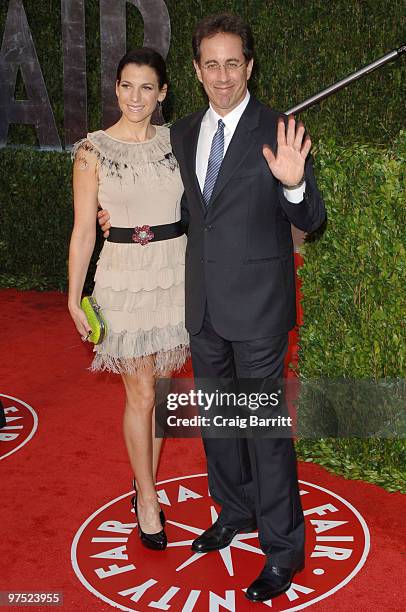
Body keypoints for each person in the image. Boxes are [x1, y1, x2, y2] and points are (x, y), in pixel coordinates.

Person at [99, 13, 326, 601]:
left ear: (249, 66)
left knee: (264, 432)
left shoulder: (278, 129)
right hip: (198, 306)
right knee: (219, 426)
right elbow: (161, 199)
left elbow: (312, 220)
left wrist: (296, 186)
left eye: (234, 63)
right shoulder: (181, 133)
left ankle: (283, 548)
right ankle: (232, 512)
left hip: (257, 311)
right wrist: (114, 219)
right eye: (211, 65)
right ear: (197, 72)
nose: (223, 75)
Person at [68, 48, 188, 551]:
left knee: (160, 398)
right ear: (116, 88)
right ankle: (146, 498)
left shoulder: (176, 141)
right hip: (124, 279)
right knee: (139, 395)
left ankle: (146, 482)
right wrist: (74, 298)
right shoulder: (92, 151)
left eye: (146, 87)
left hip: (174, 275)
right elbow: (82, 231)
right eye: (126, 85)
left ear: (161, 94)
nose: (135, 97)